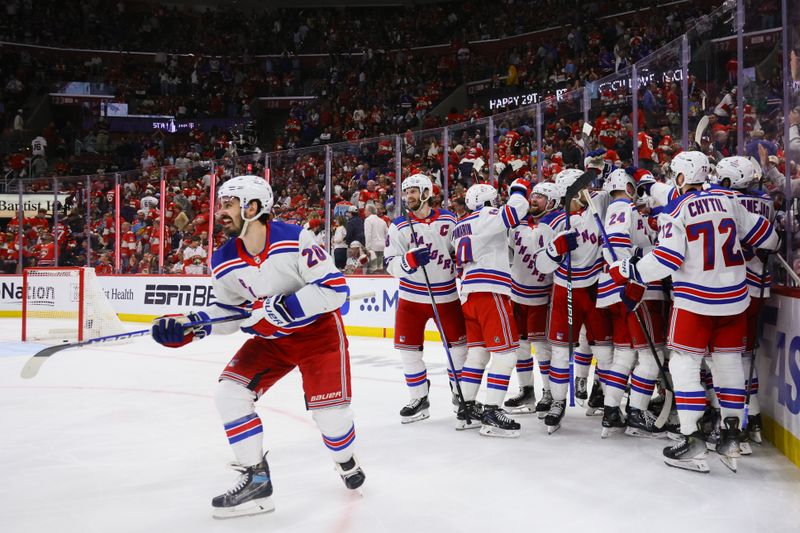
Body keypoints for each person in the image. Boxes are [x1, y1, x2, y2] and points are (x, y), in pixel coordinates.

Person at [150, 175, 364, 518]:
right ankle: (257, 481)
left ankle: (345, 459)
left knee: (332, 421)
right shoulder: (223, 258)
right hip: (270, 341)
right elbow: (230, 313)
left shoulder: (295, 238)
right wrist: (192, 326)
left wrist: (287, 306)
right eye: (221, 204)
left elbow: (335, 289)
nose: (221, 212)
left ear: (253, 207)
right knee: (229, 394)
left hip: (317, 336)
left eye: (228, 204)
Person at [609, 151, 778, 473]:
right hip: (735, 299)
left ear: (683, 178)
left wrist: (631, 270)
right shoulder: (731, 202)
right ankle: (731, 434)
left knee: (685, 364)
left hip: (695, 302)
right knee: (728, 364)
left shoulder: (680, 209)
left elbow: (667, 260)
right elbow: (769, 239)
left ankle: (693, 439)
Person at [535, 169, 613, 434]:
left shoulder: (598, 204)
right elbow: (541, 264)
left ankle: (611, 405)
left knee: (604, 351)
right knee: (559, 350)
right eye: (583, 186)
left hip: (595, 286)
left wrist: (602, 166)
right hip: (564, 289)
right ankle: (558, 402)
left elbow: (617, 189)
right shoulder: (552, 223)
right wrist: (555, 250)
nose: (589, 189)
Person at [451, 179, 531, 437]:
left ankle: (466, 409)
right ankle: (492, 411)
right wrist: (518, 188)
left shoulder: (458, 226)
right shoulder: (488, 215)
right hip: (491, 292)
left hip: (470, 295)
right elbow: (517, 209)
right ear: (487, 202)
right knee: (507, 354)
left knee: (478, 355)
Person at [384, 174, 466, 424]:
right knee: (409, 352)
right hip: (411, 297)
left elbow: (460, 252)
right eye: (406, 191)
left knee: (459, 350)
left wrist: (460, 264)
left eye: (414, 191)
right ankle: (419, 398)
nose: (409, 196)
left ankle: (461, 396)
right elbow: (390, 263)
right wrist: (407, 262)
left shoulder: (449, 219)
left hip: (446, 295)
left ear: (427, 193)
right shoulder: (398, 225)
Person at [594, 168, 667, 438]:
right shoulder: (621, 206)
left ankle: (611, 411)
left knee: (624, 355)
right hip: (636, 291)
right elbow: (616, 243)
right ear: (626, 186)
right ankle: (636, 411)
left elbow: (630, 247)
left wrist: (640, 252)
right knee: (651, 355)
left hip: (617, 292)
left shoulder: (626, 209)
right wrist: (631, 277)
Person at [716, 156, 776, 445]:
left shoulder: (724, 200)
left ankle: (727, 419)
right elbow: (772, 240)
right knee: (746, 355)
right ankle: (751, 416)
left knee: (724, 358)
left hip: (734, 290)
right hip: (761, 289)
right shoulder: (764, 201)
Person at [504, 182, 560, 415]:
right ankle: (527, 390)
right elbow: (508, 255)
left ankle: (548, 392)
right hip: (517, 294)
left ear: (553, 203)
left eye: (540, 197)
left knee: (543, 348)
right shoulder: (515, 227)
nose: (534, 199)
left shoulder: (555, 227)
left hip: (541, 296)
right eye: (533, 196)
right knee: (521, 347)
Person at [363, 204, 388, 274]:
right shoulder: (382, 221)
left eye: (365, 210)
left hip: (373, 247)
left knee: (373, 269)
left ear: (369, 211)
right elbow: (387, 234)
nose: (364, 212)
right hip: (382, 246)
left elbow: (368, 235)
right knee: (380, 268)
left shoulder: (368, 220)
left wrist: (367, 248)